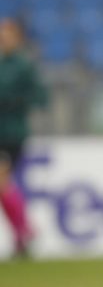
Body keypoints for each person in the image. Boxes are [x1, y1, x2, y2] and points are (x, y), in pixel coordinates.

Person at [0, 17, 47, 257]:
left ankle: (24, 229)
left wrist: (16, 102)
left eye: (7, 33)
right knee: (3, 187)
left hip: (11, 134)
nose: (2, 37)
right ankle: (22, 233)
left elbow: (41, 97)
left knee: (2, 182)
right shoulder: (3, 62)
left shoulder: (23, 65)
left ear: (17, 37)